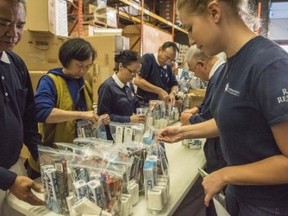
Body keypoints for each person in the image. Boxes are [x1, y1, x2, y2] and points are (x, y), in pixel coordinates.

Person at [158, 0, 288, 215]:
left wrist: (226, 174)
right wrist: (184, 132)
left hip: (268, 205)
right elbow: (236, 120)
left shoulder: (269, 65)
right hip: (240, 195)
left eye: (190, 28)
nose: (190, 39)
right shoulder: (232, 63)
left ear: (214, 12)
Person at [0, 0, 46, 214]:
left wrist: (41, 154)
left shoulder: (16, 64)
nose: (13, 33)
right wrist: (7, 180)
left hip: (14, 169)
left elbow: (28, 115)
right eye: (3, 23)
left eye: (19, 25)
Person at [175, 45, 227, 216]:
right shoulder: (219, 75)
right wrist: (196, 110)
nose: (195, 75)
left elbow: (214, 118)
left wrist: (189, 121)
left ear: (201, 64)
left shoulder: (219, 77)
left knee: (215, 202)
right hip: (218, 152)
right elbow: (210, 105)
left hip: (220, 154)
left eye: (193, 70)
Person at [35, 38, 110, 147]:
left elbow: (85, 116)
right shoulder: (50, 81)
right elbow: (42, 112)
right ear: (66, 60)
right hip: (55, 150)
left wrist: (97, 119)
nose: (83, 71)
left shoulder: (84, 84)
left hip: (79, 150)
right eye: (79, 66)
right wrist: (81, 115)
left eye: (88, 66)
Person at [97, 50, 145, 124]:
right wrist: (128, 119)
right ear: (121, 66)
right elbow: (103, 116)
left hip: (127, 130)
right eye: (132, 72)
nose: (135, 76)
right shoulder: (107, 87)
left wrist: (148, 109)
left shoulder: (129, 85)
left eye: (137, 72)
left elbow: (136, 104)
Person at [134, 41, 179, 106]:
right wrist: (159, 91)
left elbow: (174, 84)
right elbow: (137, 81)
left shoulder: (168, 67)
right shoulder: (148, 59)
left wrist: (173, 93)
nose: (168, 62)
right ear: (160, 50)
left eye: (171, 60)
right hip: (144, 104)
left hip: (160, 106)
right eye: (167, 57)